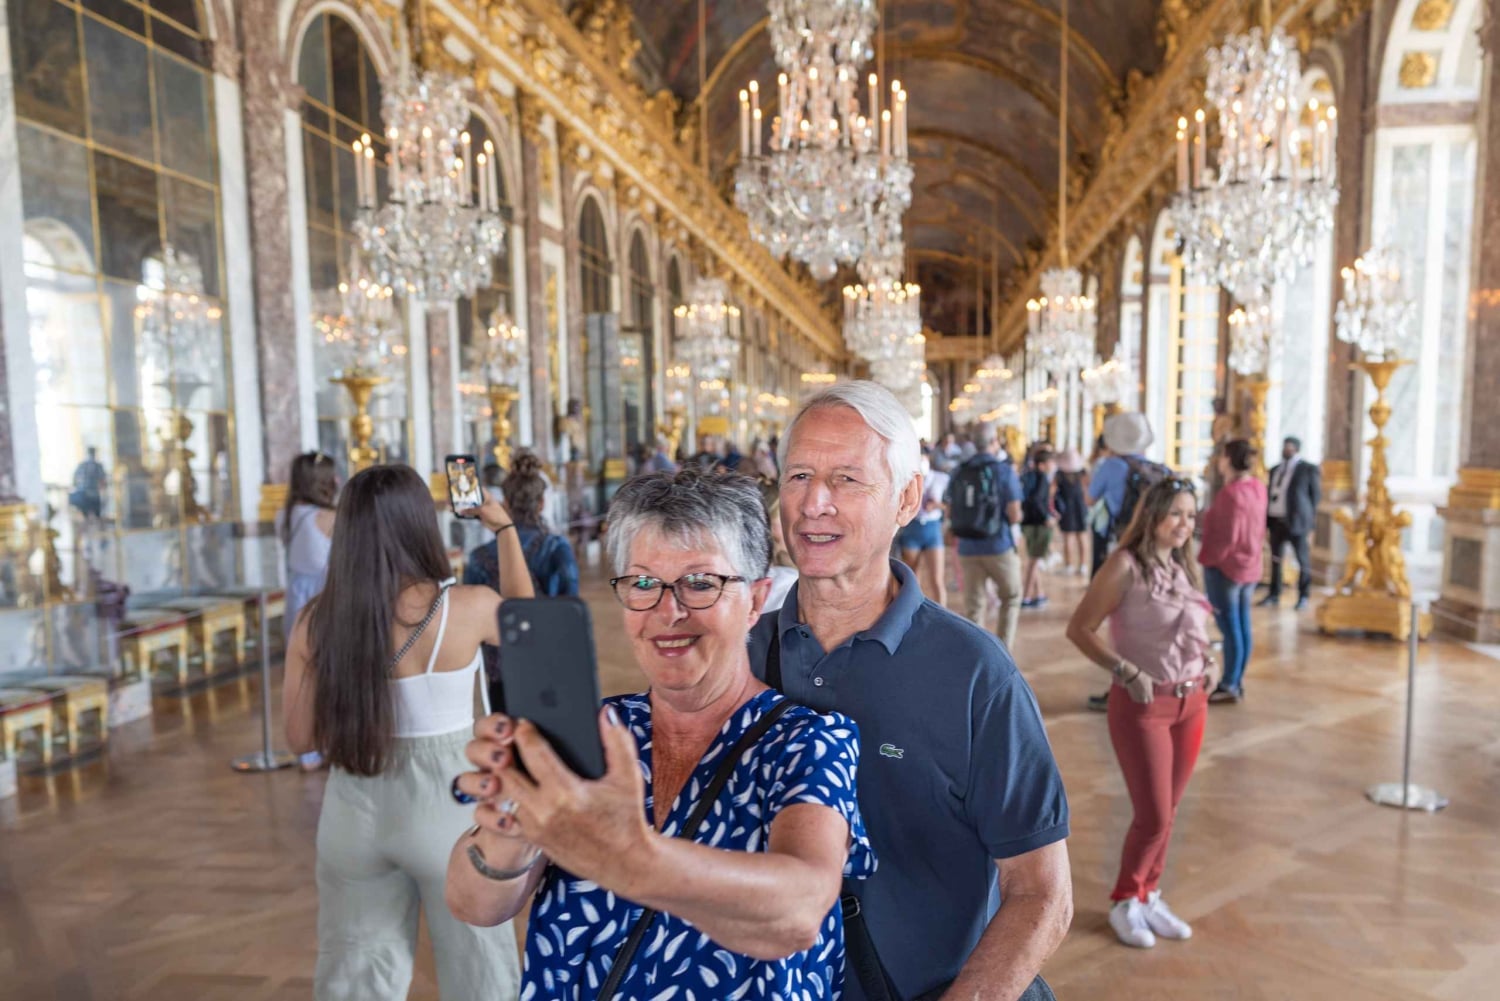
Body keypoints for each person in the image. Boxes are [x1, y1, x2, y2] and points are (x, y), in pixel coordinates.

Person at [445, 468, 874, 998]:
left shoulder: (806, 740)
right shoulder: (597, 733)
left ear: (756, 599)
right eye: (643, 583)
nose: (668, 613)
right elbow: (474, 905)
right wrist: (514, 833)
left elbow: (799, 911)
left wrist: (630, 858)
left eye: (700, 582)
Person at [756, 382, 1071, 1001]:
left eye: (847, 479)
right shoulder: (742, 653)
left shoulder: (975, 674)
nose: (814, 503)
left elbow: (1042, 891)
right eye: (798, 476)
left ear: (907, 499)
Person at [281, 464, 532, 1000]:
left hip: (354, 810)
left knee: (354, 975)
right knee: (481, 975)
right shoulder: (465, 607)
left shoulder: (315, 622)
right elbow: (532, 631)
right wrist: (504, 528)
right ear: (421, 524)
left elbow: (299, 739)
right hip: (449, 807)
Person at [1065, 477, 1218, 950]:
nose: (1184, 524)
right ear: (1151, 515)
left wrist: (1213, 661)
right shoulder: (1124, 566)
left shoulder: (1185, 566)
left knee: (1168, 811)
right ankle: (1125, 899)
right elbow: (1080, 628)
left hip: (1192, 702)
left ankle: (1150, 893)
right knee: (1152, 814)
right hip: (1143, 705)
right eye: (1175, 514)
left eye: (1191, 516)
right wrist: (1126, 670)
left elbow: (1201, 627)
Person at [1086, 414, 1168, 712]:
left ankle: (1123, 685)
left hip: (1120, 549)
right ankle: (1157, 679)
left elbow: (1090, 500)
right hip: (1156, 555)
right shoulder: (1160, 469)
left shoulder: (1110, 466)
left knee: (1121, 623)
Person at [278, 451, 340, 770]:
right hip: (322, 596)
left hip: (295, 597)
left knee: (302, 674)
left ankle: (307, 752)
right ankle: (327, 742)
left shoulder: (287, 514)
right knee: (330, 673)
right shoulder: (328, 518)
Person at [1199, 439, 1267, 704]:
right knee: (1242, 624)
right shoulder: (1257, 487)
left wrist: (1209, 558)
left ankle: (1229, 683)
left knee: (1229, 627)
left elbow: (1227, 537)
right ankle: (1236, 679)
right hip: (1250, 564)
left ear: (1227, 459)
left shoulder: (1231, 494)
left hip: (1227, 567)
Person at [948, 422, 1025, 650]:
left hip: (967, 547)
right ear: (994, 442)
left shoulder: (960, 470)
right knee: (1011, 597)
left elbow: (950, 511)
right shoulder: (1003, 470)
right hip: (998, 546)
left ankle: (977, 656)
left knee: (974, 607)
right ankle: (1004, 652)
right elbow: (1014, 515)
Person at [464, 451, 579, 598]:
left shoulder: (478, 557)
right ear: (542, 503)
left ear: (504, 504)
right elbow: (571, 605)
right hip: (550, 620)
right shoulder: (557, 547)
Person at [1262, 436, 1320, 610]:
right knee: (1275, 560)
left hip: (1296, 522)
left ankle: (1303, 595)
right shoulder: (1275, 469)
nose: (1286, 449)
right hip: (1275, 520)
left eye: (1290, 447)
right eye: (1285, 446)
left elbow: (1315, 496)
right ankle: (1274, 594)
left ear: (1296, 448)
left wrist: (1309, 521)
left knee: (1302, 560)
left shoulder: (1307, 469)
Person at [897, 454, 951, 607]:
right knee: (913, 578)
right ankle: (914, 612)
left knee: (937, 579)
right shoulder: (905, 479)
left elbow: (950, 505)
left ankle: (942, 616)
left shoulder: (942, 478)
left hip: (932, 528)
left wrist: (937, 505)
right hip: (912, 527)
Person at [1020, 449, 1058, 609]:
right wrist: (1046, 517)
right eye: (1050, 462)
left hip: (1027, 522)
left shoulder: (1027, 476)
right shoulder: (1042, 478)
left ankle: (1039, 593)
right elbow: (1037, 500)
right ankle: (1026, 597)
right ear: (1042, 465)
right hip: (1038, 524)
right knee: (1034, 561)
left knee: (1034, 558)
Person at [1054, 449, 1090, 576]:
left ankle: (1069, 565)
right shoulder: (1082, 473)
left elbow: (1052, 491)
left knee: (1068, 537)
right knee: (1082, 536)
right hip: (1081, 507)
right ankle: (1083, 565)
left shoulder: (1059, 475)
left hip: (1066, 509)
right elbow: (1088, 489)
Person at [68, 447, 107, 520]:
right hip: (92, 494)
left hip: (85, 494)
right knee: (96, 516)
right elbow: (103, 481)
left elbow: (74, 480)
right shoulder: (97, 466)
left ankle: (89, 527)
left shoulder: (82, 465)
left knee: (87, 516)